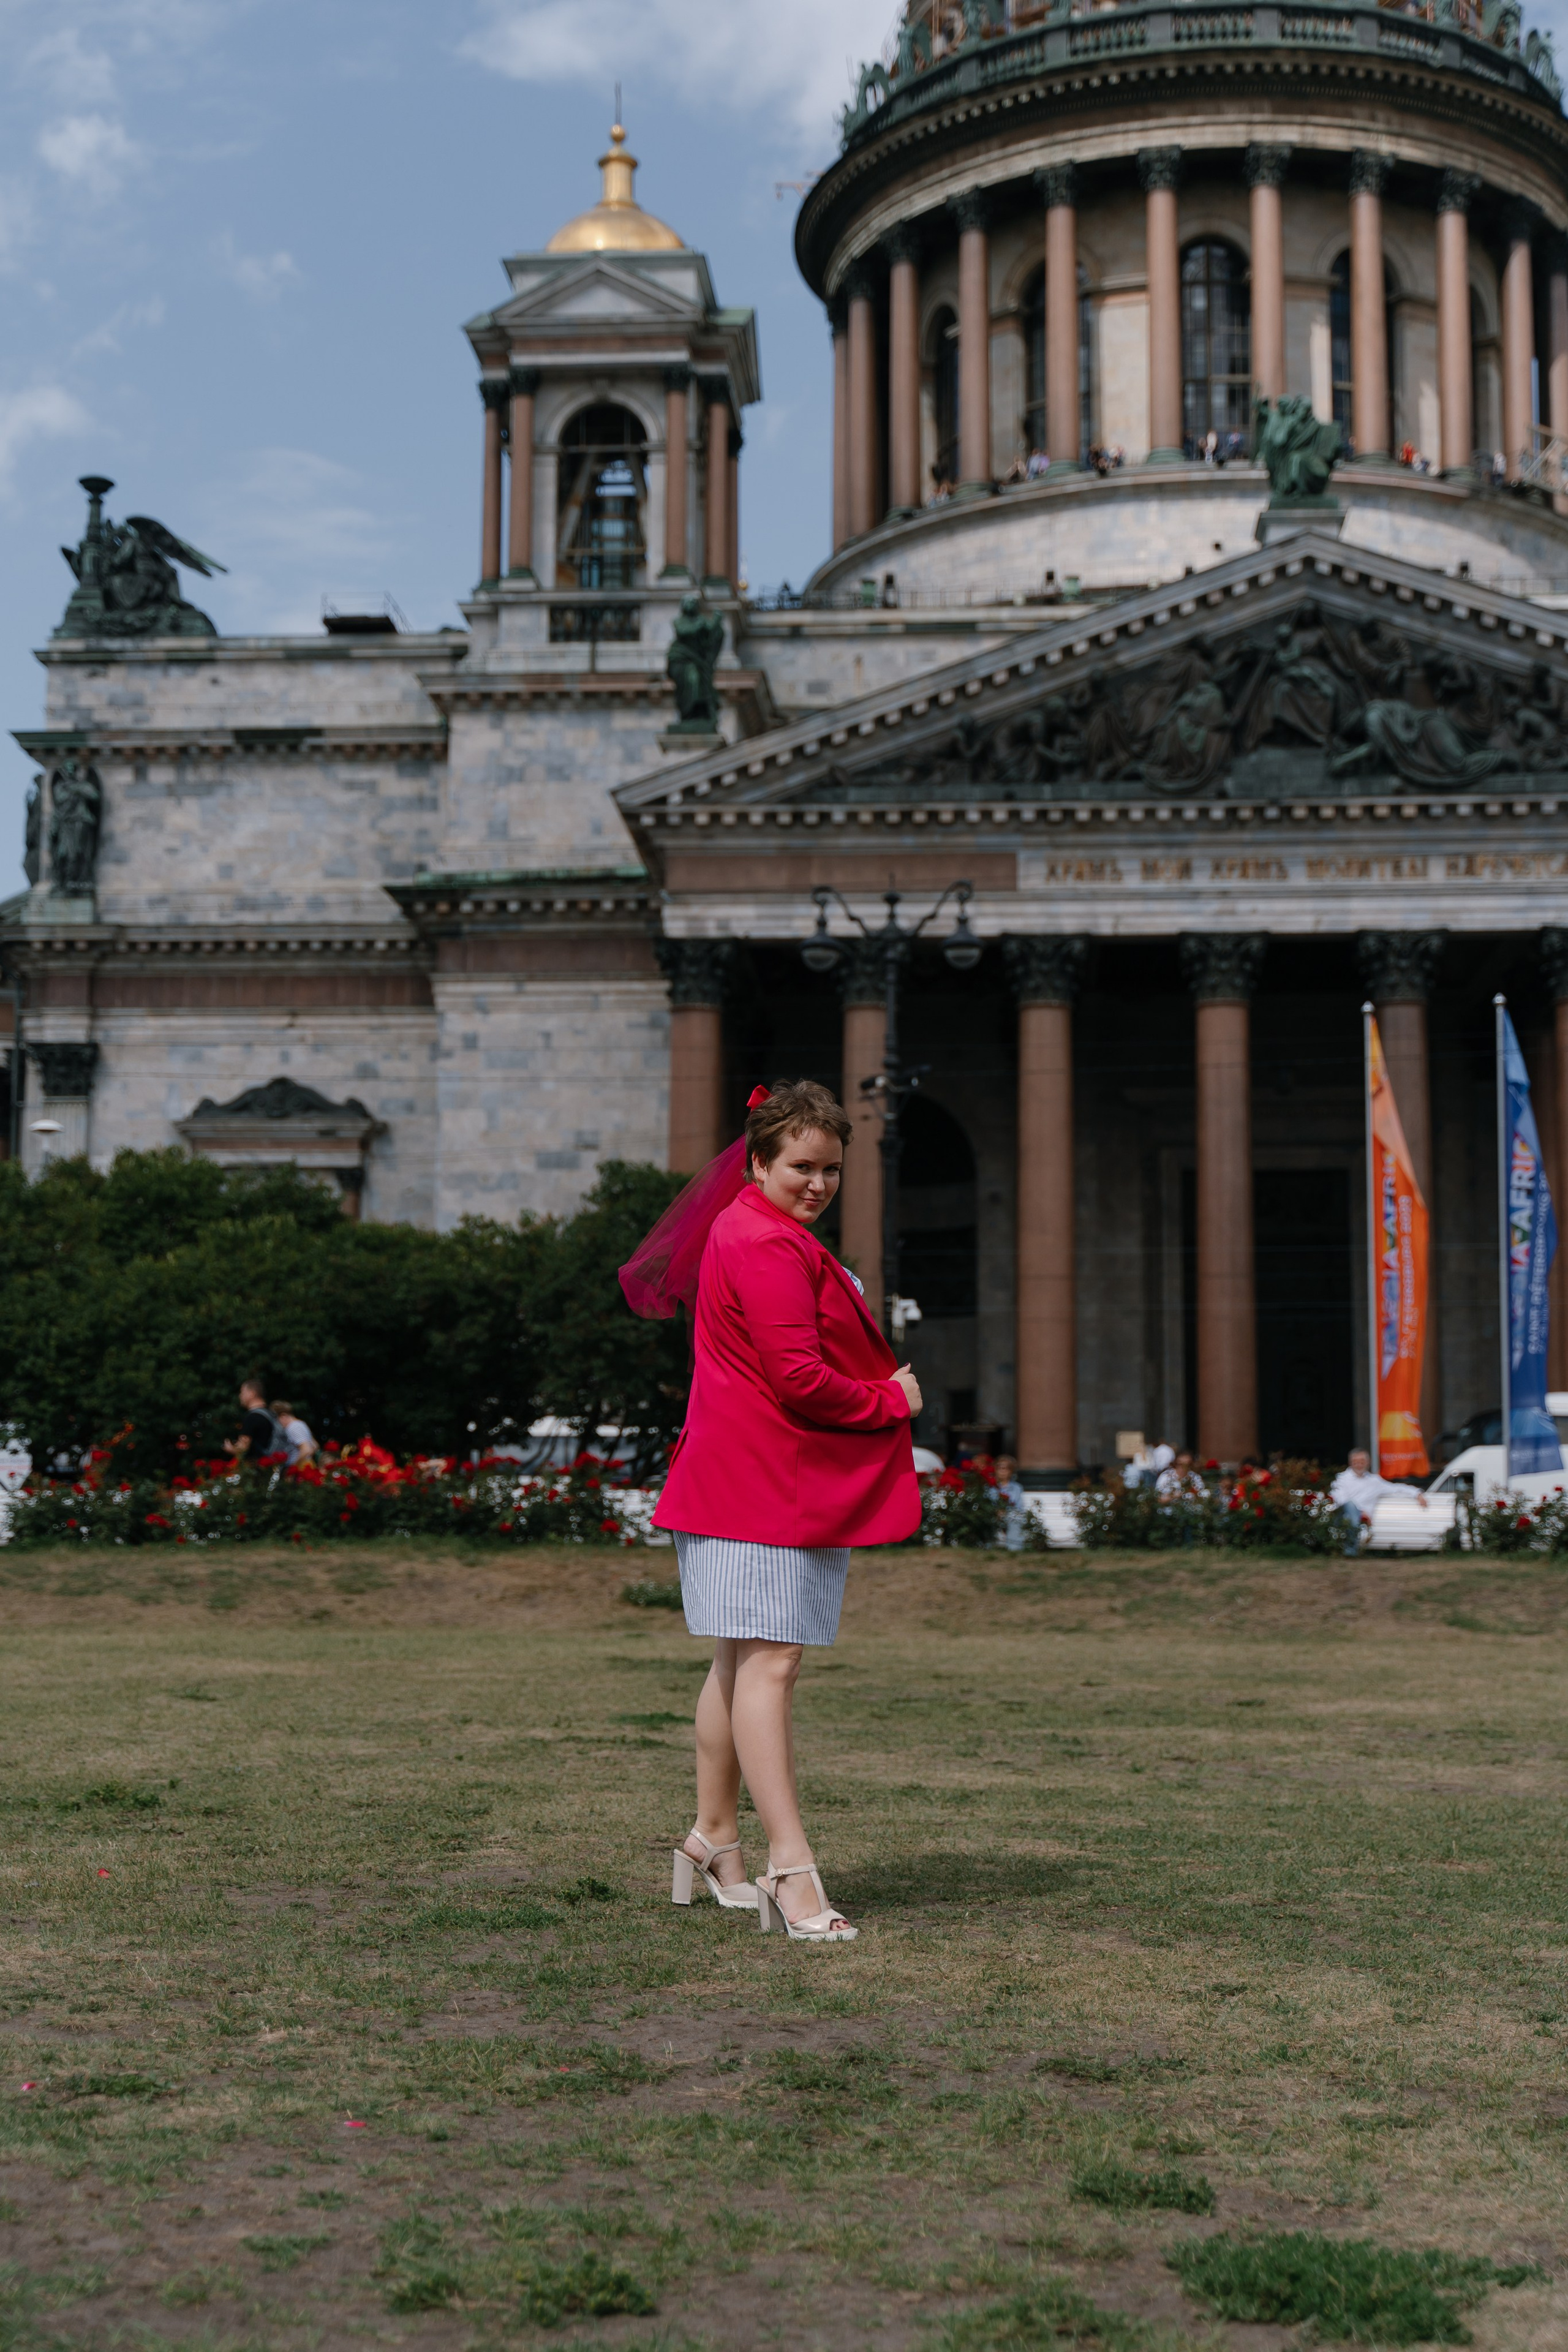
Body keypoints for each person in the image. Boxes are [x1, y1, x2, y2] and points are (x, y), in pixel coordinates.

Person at [653, 1080, 921, 1942]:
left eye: (832, 1169)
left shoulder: (744, 1227)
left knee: (738, 1664)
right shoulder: (766, 1243)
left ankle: (715, 1839)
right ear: (758, 1160)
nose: (818, 1183)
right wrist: (891, 1399)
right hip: (767, 1483)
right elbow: (798, 1378)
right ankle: (790, 1871)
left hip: (735, 1478)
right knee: (769, 1667)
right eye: (801, 1166)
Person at [1330, 1448, 1427, 1555]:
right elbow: (1339, 1498)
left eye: (1362, 1462)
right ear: (1350, 1463)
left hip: (1364, 1522)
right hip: (1343, 1518)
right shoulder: (1341, 1479)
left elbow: (1396, 1488)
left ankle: (1351, 1552)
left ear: (1368, 1462)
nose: (1359, 1465)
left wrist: (1417, 1493)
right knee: (1351, 1506)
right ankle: (1351, 1551)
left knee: (1355, 1516)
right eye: (1356, 1462)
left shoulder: (1375, 1481)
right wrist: (1360, 1512)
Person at [224, 1379, 284, 1464]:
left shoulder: (252, 1418)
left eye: (242, 1392)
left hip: (257, 1469)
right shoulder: (270, 1414)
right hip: (270, 1466)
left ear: (252, 1393)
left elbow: (243, 1449)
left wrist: (231, 1449)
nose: (240, 1396)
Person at [993, 1453, 1028, 1550]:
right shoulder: (990, 1487)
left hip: (1010, 1515)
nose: (1002, 1471)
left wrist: (1005, 1512)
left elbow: (1019, 1507)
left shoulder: (1017, 1488)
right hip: (993, 1514)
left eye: (1006, 1468)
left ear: (1011, 1471)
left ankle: (1014, 1550)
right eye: (1000, 1468)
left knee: (1016, 1519)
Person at [270, 1401, 317, 1466]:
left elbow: (307, 1449)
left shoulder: (293, 1427)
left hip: (300, 1468)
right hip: (308, 1465)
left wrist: (293, 1467)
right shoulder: (302, 1424)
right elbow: (315, 1446)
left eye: (278, 1419)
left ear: (284, 1416)